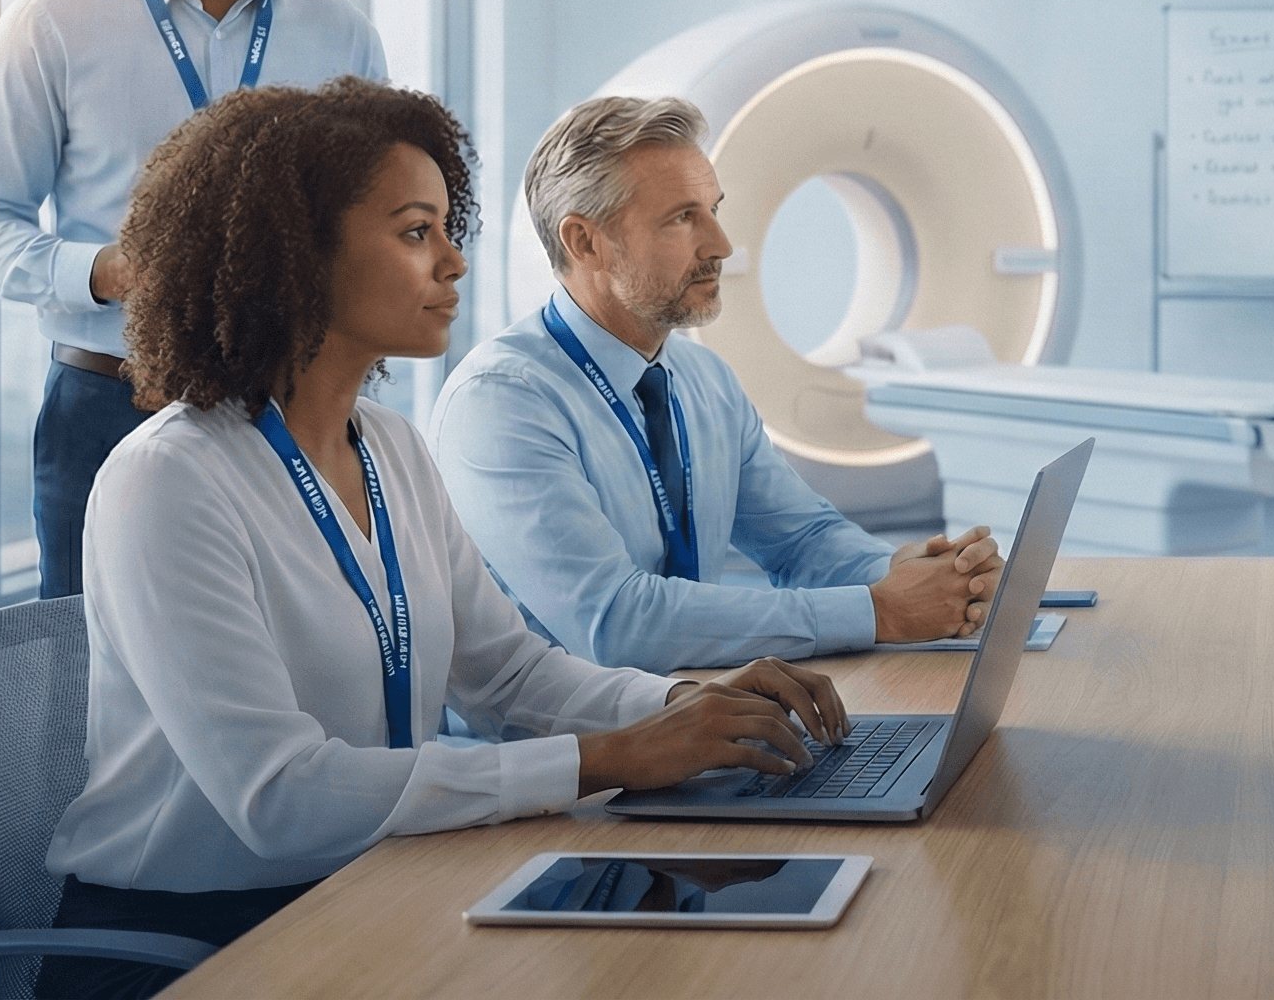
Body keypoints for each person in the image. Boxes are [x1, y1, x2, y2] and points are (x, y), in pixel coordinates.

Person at [43, 79, 847, 1000]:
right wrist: (610, 758)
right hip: (196, 945)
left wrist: (682, 705)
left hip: (375, 886)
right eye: (416, 231)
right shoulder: (170, 481)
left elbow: (508, 674)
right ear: (296, 256)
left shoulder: (388, 445)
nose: (454, 262)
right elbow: (282, 799)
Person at [0, 0, 389, 599]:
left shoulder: (343, 38)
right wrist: (110, 272)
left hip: (287, 409)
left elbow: (378, 221)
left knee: (296, 675)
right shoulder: (57, 24)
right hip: (108, 406)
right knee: (94, 687)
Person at [433, 95, 1000, 672]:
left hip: (706, 715)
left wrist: (931, 577)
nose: (721, 246)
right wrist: (878, 611)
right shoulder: (502, 400)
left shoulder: (704, 379)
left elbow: (803, 540)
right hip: (568, 750)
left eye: (713, 209)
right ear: (585, 241)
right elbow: (616, 622)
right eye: (683, 218)